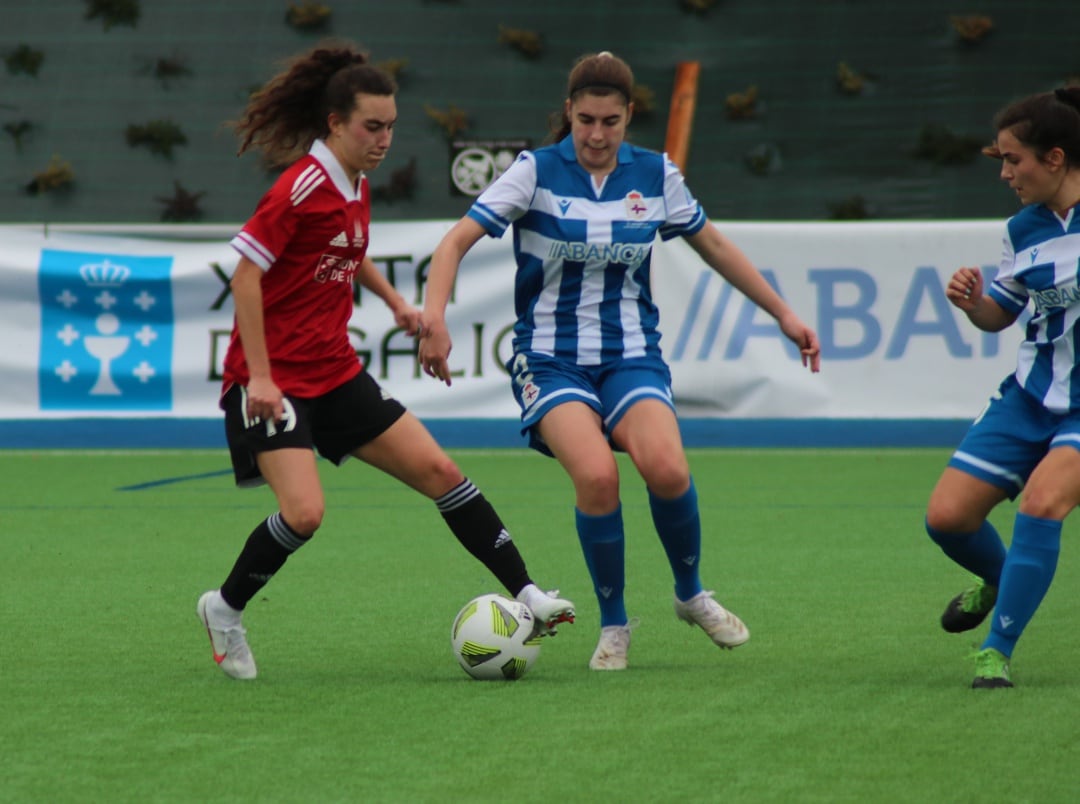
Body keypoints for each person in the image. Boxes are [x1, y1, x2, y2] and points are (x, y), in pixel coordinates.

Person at [417, 51, 821, 670]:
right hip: (550, 360)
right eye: (585, 121)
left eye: (610, 121)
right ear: (569, 115)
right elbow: (455, 242)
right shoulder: (534, 171)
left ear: (630, 116)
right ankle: (614, 625)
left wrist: (785, 315)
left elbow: (712, 244)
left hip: (632, 355)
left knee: (667, 469)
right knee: (599, 478)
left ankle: (691, 596)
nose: (597, 135)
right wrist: (434, 317)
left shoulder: (656, 175)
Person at [196, 43, 574, 681]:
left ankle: (529, 593)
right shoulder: (302, 186)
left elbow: (348, 248)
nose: (384, 138)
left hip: (335, 370)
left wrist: (400, 304)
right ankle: (224, 608)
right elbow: (245, 277)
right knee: (304, 514)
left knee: (442, 472)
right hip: (274, 382)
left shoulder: (354, 185)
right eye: (372, 126)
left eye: (391, 126)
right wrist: (258, 376)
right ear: (336, 123)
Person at [926, 87, 1080, 689]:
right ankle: (998, 579)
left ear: (1056, 158)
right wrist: (973, 304)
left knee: (1043, 505)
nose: (1005, 173)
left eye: (1013, 160)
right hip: (1028, 397)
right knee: (946, 519)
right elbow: (1003, 315)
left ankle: (997, 650)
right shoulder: (1022, 230)